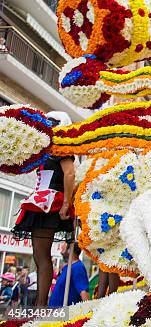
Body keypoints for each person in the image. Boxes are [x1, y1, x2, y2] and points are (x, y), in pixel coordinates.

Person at [12, 111, 76, 306]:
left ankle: (41, 305)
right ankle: (39, 304)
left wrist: (66, 202)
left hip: (51, 203)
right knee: (38, 255)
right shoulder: (46, 150)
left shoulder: (61, 147)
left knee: (42, 254)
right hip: (41, 202)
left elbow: (70, 174)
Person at [48, 242, 89, 307]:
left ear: (70, 250)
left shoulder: (78, 267)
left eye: (63, 249)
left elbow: (83, 292)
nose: (61, 252)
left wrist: (88, 312)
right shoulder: (68, 267)